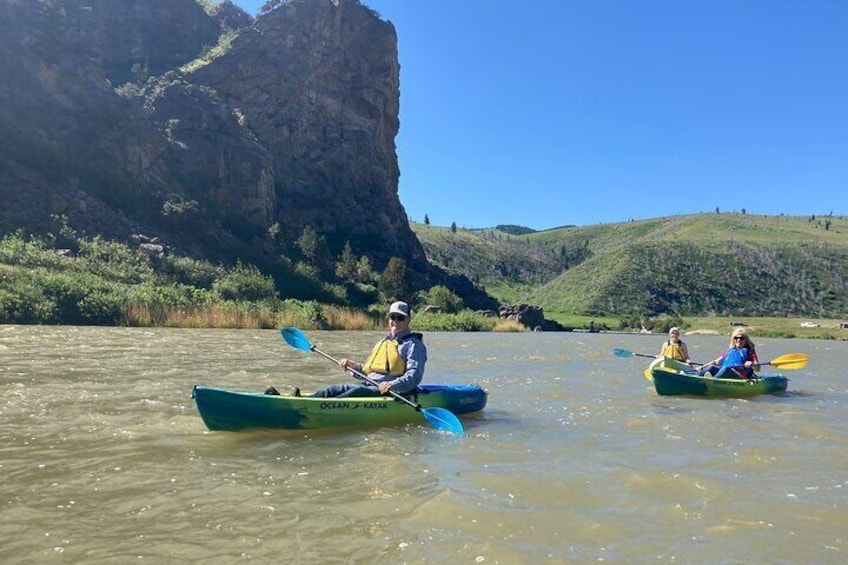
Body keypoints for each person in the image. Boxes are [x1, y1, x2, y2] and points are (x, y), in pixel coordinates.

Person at [300, 301, 427, 398]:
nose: (395, 321)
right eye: (393, 317)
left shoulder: (414, 345)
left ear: (408, 320)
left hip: (391, 392)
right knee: (334, 389)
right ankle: (304, 401)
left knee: (356, 392)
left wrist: (392, 385)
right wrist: (353, 366)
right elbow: (366, 372)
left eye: (401, 318)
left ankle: (314, 409)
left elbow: (414, 376)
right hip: (369, 385)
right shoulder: (383, 343)